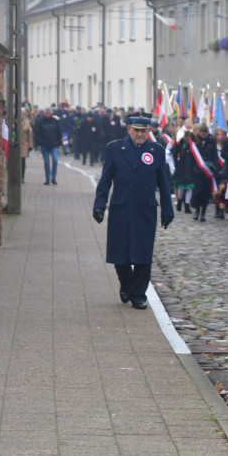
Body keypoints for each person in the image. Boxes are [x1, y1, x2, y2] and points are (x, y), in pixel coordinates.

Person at [92, 112, 174, 310]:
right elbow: (105, 181)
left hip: (145, 208)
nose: (140, 134)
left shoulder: (156, 151)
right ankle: (127, 284)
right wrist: (99, 205)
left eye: (144, 131)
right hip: (122, 207)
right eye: (136, 130)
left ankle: (138, 294)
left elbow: (164, 184)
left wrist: (167, 210)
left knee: (143, 254)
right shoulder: (115, 149)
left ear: (149, 131)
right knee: (120, 253)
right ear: (128, 129)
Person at [34, 107, 63, 185]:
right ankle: (47, 178)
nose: (47, 114)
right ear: (44, 113)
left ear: (51, 113)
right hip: (44, 145)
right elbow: (37, 133)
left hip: (54, 144)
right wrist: (39, 142)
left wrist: (59, 142)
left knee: (55, 160)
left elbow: (59, 132)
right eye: (46, 113)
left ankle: (53, 177)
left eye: (49, 113)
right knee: (47, 162)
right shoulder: (40, 121)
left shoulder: (55, 121)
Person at [19, 113, 33, 183]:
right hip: (16, 144)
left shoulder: (27, 123)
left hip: (24, 144)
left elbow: (30, 135)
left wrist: (30, 145)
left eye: (24, 114)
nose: (22, 115)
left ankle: (22, 177)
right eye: (21, 114)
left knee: (23, 161)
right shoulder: (14, 121)